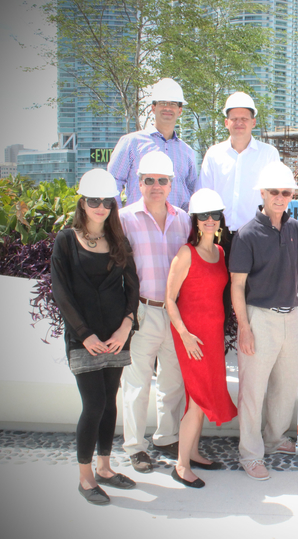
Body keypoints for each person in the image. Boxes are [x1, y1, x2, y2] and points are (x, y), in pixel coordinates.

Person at [51, 168, 139, 505]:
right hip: (84, 337)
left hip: (116, 335)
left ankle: (105, 468)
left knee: (110, 402)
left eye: (106, 201)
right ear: (82, 203)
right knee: (95, 405)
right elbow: (61, 292)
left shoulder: (119, 241)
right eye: (94, 201)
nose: (101, 207)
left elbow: (132, 287)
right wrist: (84, 334)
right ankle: (85, 477)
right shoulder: (65, 240)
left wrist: (126, 325)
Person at [229, 161, 298, 481]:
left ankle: (274, 439)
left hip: (292, 316)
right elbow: (236, 285)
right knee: (253, 391)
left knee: (286, 387)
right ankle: (250, 453)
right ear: (262, 192)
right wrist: (244, 328)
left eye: (286, 192)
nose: (280, 197)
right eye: (274, 191)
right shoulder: (247, 234)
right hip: (259, 318)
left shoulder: (296, 229)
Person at [119, 150, 192, 473]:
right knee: (136, 384)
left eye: (162, 181)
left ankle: (166, 437)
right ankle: (135, 447)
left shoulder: (184, 219)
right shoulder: (124, 218)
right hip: (143, 311)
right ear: (139, 183)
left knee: (173, 381)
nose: (156, 186)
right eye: (149, 181)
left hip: (176, 314)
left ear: (171, 183)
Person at [165, 188, 238, 488]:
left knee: (203, 394)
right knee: (197, 399)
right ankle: (181, 466)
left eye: (215, 215)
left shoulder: (220, 253)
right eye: (204, 216)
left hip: (212, 334)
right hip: (191, 335)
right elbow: (170, 299)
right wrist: (185, 335)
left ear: (220, 219)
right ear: (195, 220)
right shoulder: (186, 253)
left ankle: (193, 452)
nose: (210, 220)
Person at [196, 91, 280, 327]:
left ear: (254, 122)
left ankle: (253, 346)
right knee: (217, 295)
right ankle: (220, 346)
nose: (239, 123)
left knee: (254, 295)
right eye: (234, 118)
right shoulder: (214, 155)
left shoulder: (269, 154)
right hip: (218, 237)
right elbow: (204, 196)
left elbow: (275, 200)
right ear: (226, 123)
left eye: (245, 118)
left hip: (255, 238)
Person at [108, 78, 198, 211]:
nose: (167, 107)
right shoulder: (132, 143)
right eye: (162, 103)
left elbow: (192, 190)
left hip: (178, 226)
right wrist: (117, 219)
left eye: (172, 104)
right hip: (138, 226)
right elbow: (112, 182)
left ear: (179, 111)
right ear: (153, 108)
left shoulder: (187, 151)